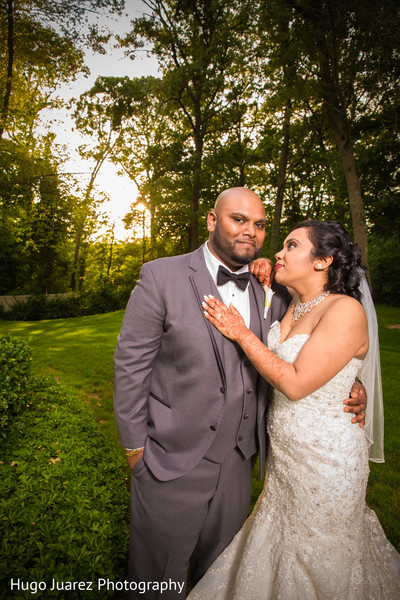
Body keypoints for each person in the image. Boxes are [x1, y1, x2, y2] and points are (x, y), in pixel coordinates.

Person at [113, 190, 366, 600]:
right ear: (212, 220)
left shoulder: (276, 288)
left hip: (240, 462)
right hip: (170, 460)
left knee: (224, 577)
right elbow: (131, 365)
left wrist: (353, 384)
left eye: (260, 224)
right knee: (155, 581)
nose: (251, 231)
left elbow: (324, 349)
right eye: (239, 220)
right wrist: (134, 449)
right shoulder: (162, 276)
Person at [188, 220, 400, 600]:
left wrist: (240, 332)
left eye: (291, 246)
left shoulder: (346, 310)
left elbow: (296, 382)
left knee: (321, 554)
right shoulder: (294, 305)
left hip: (327, 463)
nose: (278, 253)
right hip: (287, 461)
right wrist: (266, 267)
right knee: (278, 544)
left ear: (323, 261)